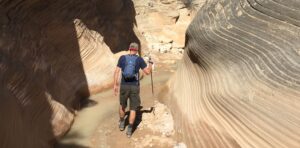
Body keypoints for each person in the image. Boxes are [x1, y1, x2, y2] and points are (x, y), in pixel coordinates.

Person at [113, 42, 153, 137]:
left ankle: (122, 123)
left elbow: (116, 71)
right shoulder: (139, 59)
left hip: (124, 86)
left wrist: (115, 85)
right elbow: (147, 72)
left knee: (122, 105)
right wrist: (150, 64)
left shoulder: (122, 58)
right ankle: (129, 130)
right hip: (134, 86)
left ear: (129, 48)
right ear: (137, 50)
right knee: (133, 109)